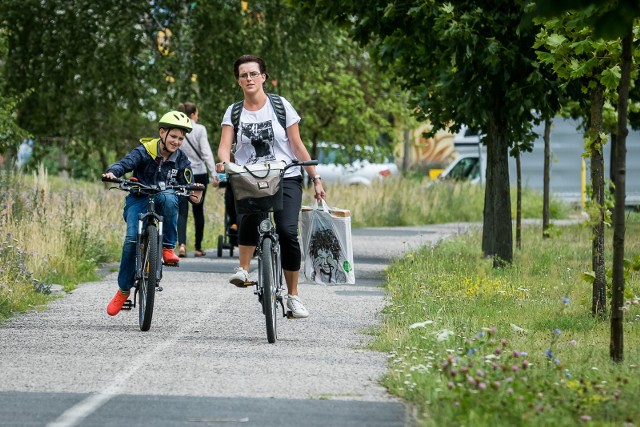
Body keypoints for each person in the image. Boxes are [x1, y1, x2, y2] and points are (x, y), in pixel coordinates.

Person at [216, 54, 325, 319]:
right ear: (238, 81)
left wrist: (315, 177)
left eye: (254, 74)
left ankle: (294, 297)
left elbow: (296, 145)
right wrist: (222, 163)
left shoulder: (280, 105)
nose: (249, 79)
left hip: (284, 174)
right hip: (249, 176)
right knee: (248, 220)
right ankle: (243, 269)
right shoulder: (234, 111)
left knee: (287, 231)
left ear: (263, 77)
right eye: (244, 75)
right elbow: (224, 146)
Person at [103, 111, 203, 316]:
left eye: (181, 139)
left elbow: (188, 180)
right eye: (173, 136)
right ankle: (123, 290)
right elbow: (125, 164)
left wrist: (194, 191)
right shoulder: (144, 151)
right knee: (131, 239)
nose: (177, 142)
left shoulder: (181, 158)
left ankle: (167, 248)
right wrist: (113, 172)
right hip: (139, 197)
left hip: (162, 198)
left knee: (169, 198)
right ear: (162, 133)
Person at [176, 102, 218, 258]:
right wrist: (213, 173)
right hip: (199, 173)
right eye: (197, 113)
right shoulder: (200, 129)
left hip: (182, 173)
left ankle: (182, 245)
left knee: (182, 210)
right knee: (198, 210)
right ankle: (198, 247)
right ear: (193, 114)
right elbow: (206, 152)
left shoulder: (178, 129)